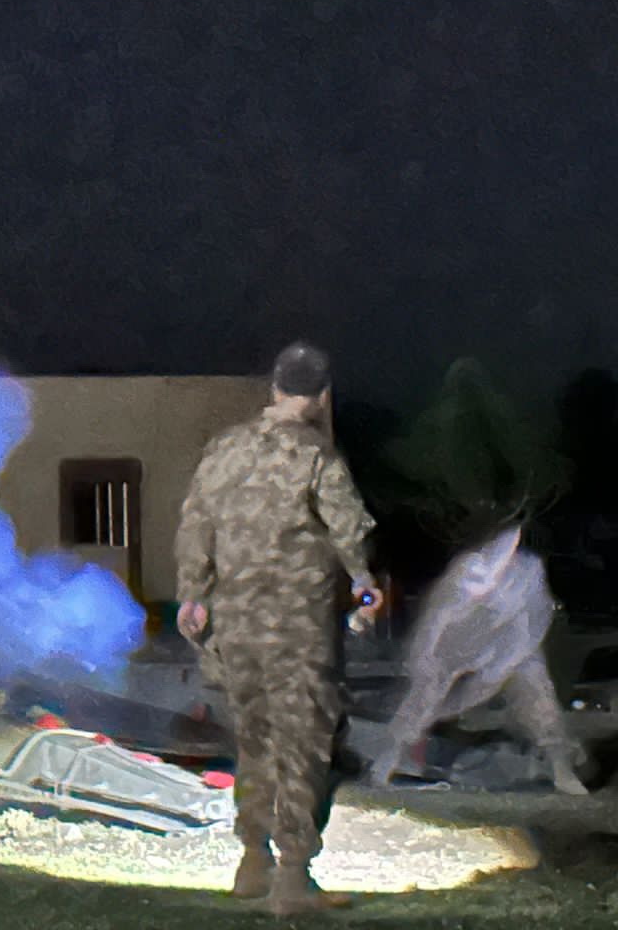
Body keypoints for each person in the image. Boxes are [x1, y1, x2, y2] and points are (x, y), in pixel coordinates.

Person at [175, 342, 383, 915]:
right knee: (305, 744)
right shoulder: (317, 456)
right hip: (298, 631)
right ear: (322, 395)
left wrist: (193, 594)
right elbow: (349, 534)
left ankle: (252, 862)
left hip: (236, 626)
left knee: (254, 739)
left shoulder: (225, 450)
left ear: (274, 388)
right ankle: (293, 876)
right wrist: (366, 587)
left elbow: (195, 525)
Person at [368, 522, 587, 795]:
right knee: (425, 696)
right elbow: (439, 622)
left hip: (513, 645)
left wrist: (500, 667)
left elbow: (529, 623)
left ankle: (562, 771)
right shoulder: (468, 570)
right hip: (464, 639)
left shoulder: (527, 571)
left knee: (539, 698)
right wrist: (428, 658)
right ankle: (386, 761)